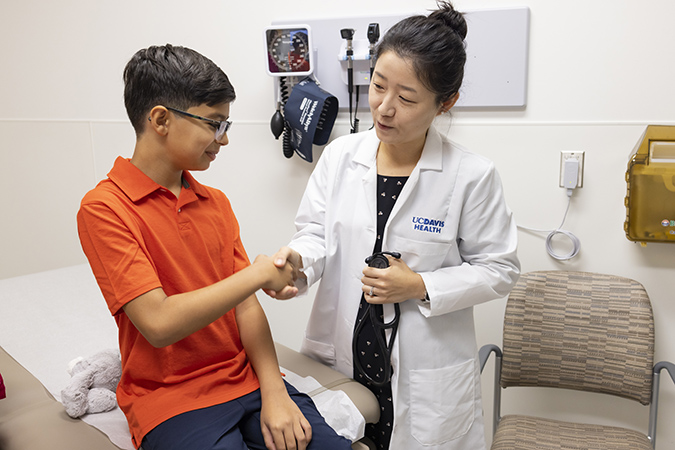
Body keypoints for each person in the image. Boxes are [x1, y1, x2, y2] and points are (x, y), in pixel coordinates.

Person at [268, 3, 520, 449]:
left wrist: (420, 284)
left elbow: (499, 269)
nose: (384, 108)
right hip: (342, 353)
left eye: (406, 98)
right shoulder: (342, 156)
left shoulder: (471, 175)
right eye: (378, 87)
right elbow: (314, 234)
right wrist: (298, 263)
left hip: (425, 372)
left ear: (446, 103)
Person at [76, 44, 352, 450]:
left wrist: (275, 391)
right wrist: (256, 274)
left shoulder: (215, 203)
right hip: (171, 399)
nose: (223, 139)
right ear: (160, 120)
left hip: (247, 381)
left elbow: (246, 307)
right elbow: (158, 324)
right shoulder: (105, 209)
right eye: (214, 124)